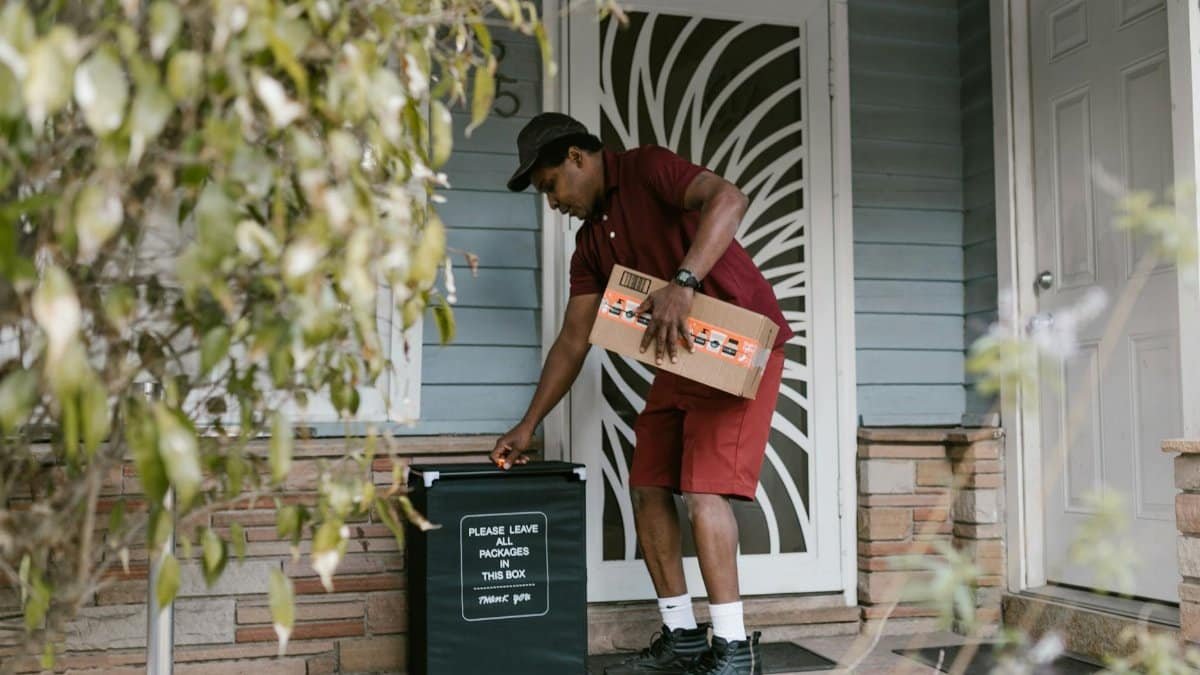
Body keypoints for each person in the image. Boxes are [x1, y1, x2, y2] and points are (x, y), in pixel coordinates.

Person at [490, 112, 792, 675]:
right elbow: (573, 339)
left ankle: (733, 648)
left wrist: (683, 282)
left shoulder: (648, 167)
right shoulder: (589, 247)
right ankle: (682, 637)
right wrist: (528, 424)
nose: (552, 202)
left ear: (577, 158)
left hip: (739, 349)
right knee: (649, 485)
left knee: (704, 492)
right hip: (680, 357)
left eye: (551, 185)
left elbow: (729, 197)